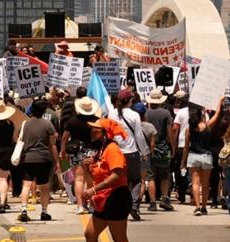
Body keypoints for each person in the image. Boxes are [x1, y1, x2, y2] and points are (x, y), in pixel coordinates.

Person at [64, 118, 140, 242]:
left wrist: (94, 189)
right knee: (90, 233)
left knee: (120, 239)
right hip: (106, 198)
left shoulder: (113, 150)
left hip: (117, 197)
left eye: (96, 131)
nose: (92, 133)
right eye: (92, 130)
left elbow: (117, 175)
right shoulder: (101, 150)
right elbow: (97, 177)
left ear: (105, 134)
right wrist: (90, 169)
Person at [108, 88, 149, 221]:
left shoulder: (111, 114)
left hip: (116, 153)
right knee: (136, 181)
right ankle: (134, 206)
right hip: (131, 152)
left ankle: (118, 206)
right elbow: (139, 136)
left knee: (118, 181)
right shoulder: (134, 115)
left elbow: (109, 133)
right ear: (130, 101)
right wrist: (145, 152)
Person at [18, 99, 61, 222]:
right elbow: (52, 144)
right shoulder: (48, 124)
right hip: (43, 158)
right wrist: (56, 161)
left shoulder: (24, 124)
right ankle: (44, 211)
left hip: (28, 158)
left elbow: (17, 139)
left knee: (26, 185)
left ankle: (24, 210)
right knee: (44, 186)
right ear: (43, 111)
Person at [61, 97, 102, 214]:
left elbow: (64, 138)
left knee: (78, 180)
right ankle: (92, 205)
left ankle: (80, 206)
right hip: (93, 152)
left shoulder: (72, 121)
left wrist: (63, 150)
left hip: (76, 151)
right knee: (92, 180)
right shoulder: (97, 121)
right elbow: (100, 137)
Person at [183, 102, 222, 216]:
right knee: (205, 184)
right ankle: (204, 207)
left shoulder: (189, 129)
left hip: (193, 156)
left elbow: (186, 147)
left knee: (195, 183)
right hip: (206, 156)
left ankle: (197, 207)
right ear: (201, 116)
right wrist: (219, 101)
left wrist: (182, 162)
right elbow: (217, 114)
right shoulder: (207, 126)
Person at [144, 89, 174, 212]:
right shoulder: (166, 113)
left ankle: (152, 202)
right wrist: (173, 147)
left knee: (150, 177)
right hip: (163, 148)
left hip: (149, 148)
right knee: (164, 176)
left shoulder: (146, 113)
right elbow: (169, 132)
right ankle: (165, 198)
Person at [171, 94, 190, 204]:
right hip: (195, 145)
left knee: (180, 169)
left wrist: (174, 143)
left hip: (182, 144)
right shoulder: (200, 112)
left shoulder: (181, 112)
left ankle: (182, 193)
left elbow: (175, 129)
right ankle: (192, 192)